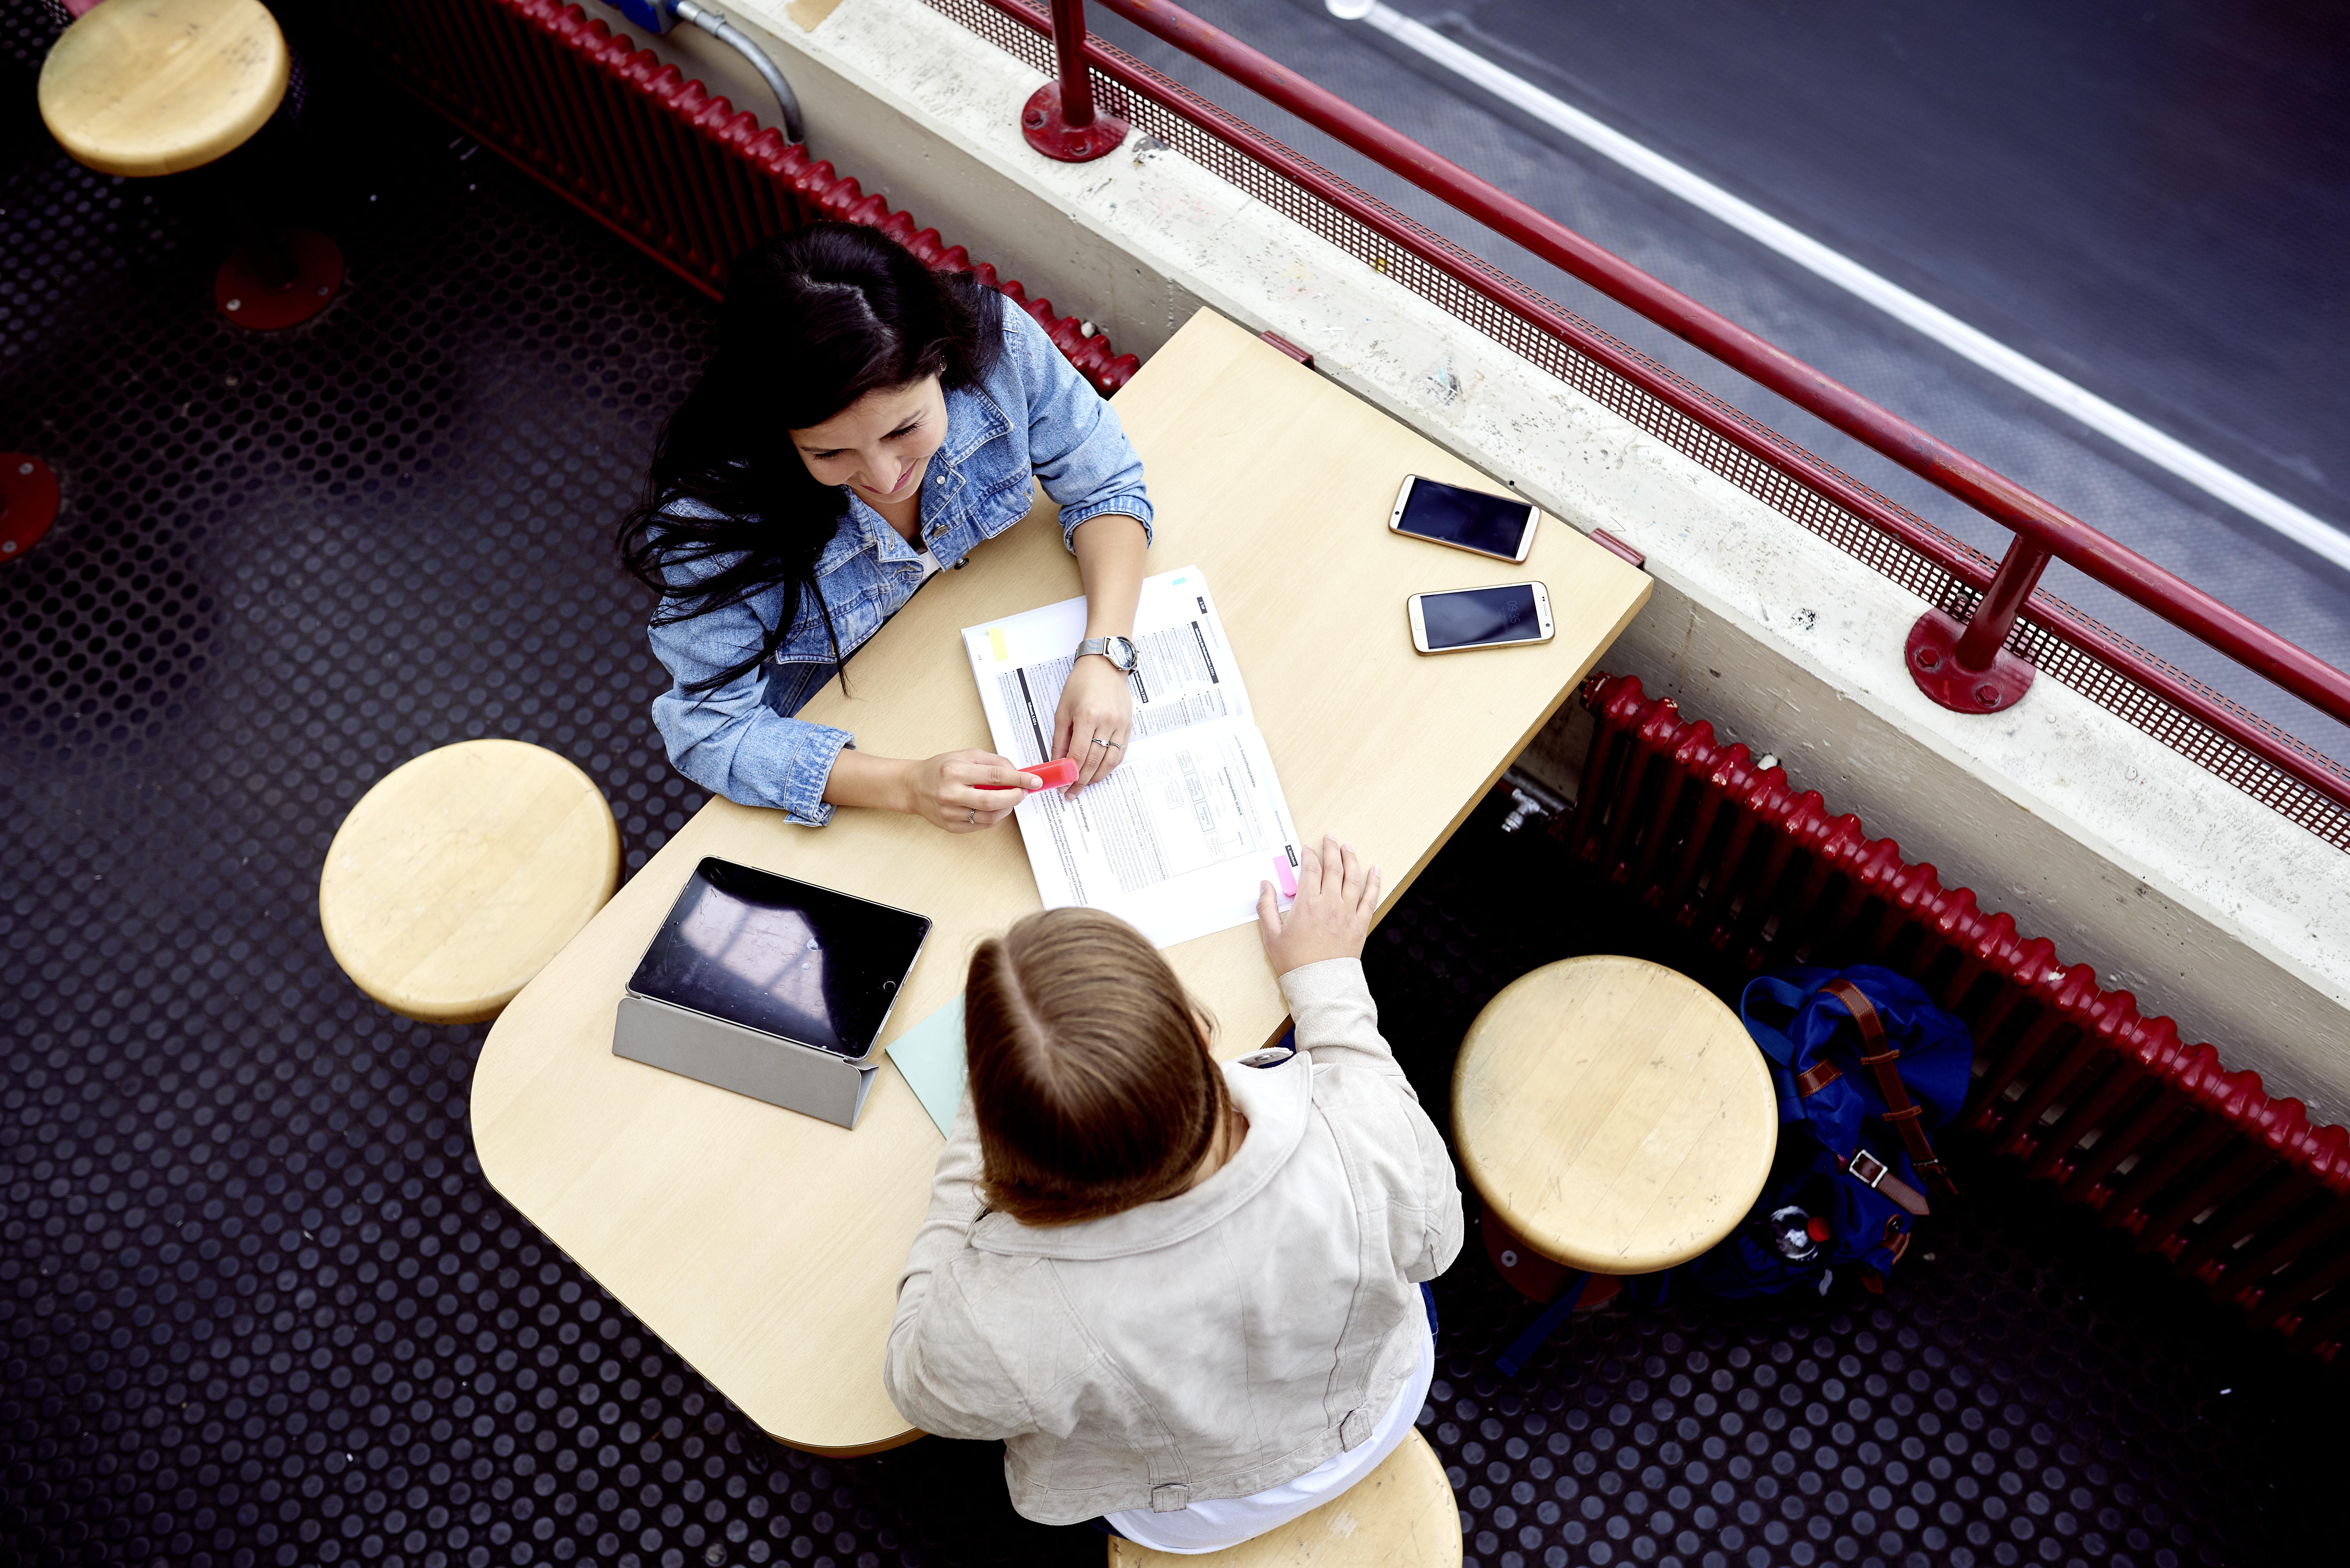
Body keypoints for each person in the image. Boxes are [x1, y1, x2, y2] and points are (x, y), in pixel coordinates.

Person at [884, 839, 1463, 1551]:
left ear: (1012, 1139)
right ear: (1193, 1027)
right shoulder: (1361, 1135)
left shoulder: (1000, 1315)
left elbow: (913, 1380)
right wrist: (1328, 980)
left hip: (1187, 1510)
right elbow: (1438, 1240)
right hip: (1374, 1411)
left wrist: (973, 1148)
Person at [618, 223, 1152, 832]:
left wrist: (1107, 653)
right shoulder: (713, 517)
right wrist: (906, 786)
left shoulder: (997, 344)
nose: (884, 475)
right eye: (828, 454)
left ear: (944, 359)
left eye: (905, 429)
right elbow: (708, 729)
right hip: (851, 711)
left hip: (971, 630)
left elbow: (1105, 482)